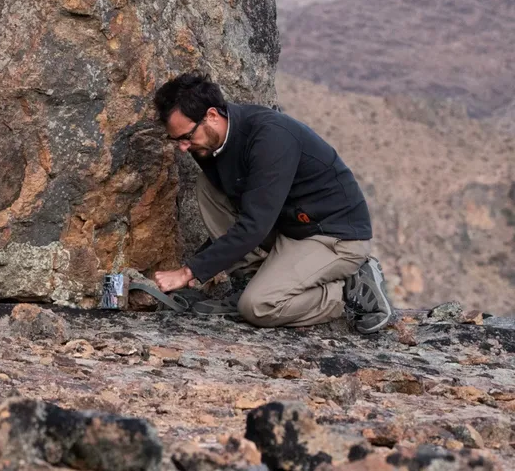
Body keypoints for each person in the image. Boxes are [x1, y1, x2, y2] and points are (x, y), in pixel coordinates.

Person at [151, 72, 394, 333]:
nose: (183, 148)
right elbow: (245, 214)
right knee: (207, 187)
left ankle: (347, 290)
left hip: (333, 237)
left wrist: (189, 272)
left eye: (186, 137)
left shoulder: (270, 138)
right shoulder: (209, 144)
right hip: (288, 228)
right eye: (176, 140)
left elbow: (254, 225)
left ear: (212, 115)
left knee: (257, 306)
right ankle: (252, 279)